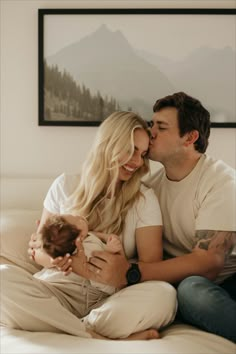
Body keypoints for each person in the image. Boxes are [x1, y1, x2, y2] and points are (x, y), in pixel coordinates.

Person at [72, 93, 236, 342]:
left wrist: (130, 272)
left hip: (224, 281)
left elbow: (209, 264)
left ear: (190, 137)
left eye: (161, 127)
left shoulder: (221, 182)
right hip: (177, 284)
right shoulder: (149, 189)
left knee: (191, 290)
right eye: (152, 124)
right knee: (179, 292)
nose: (151, 133)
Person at [1, 111, 177, 340]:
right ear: (109, 144)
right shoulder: (65, 185)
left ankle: (60, 324)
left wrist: (121, 268)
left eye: (143, 154)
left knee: (164, 295)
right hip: (57, 289)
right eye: (131, 149)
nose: (137, 162)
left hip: (110, 298)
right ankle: (93, 336)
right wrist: (61, 260)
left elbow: (151, 265)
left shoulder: (144, 199)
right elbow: (39, 250)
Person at [36, 213, 121, 295]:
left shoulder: (83, 239)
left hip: (45, 279)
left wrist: (104, 237)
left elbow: (91, 235)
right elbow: (103, 278)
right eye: (77, 218)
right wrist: (109, 250)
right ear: (79, 238)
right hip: (67, 287)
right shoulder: (88, 251)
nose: (79, 216)